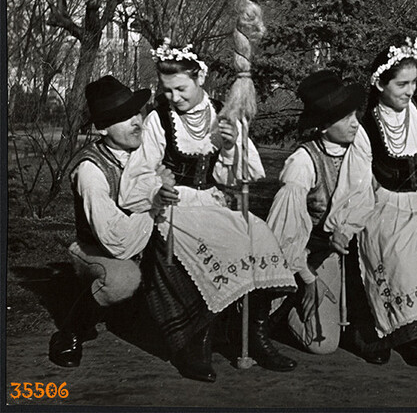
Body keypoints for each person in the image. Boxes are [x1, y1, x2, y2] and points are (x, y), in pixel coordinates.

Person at [118, 38, 297, 382]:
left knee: (258, 235)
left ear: (200, 78)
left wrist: (230, 145)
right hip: (176, 207)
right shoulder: (159, 120)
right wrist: (159, 188)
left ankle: (255, 337)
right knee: (208, 245)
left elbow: (238, 177)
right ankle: (196, 340)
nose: (174, 97)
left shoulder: (224, 115)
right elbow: (141, 171)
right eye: (167, 90)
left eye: (181, 89)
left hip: (213, 201)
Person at [323, 36, 417, 366]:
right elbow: (357, 183)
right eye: (401, 84)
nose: (409, 90)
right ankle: (403, 330)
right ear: (380, 84)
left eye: (413, 82)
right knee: (398, 250)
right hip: (385, 204)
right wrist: (344, 225)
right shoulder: (366, 128)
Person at [49, 75, 157, 368]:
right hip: (97, 249)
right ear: (103, 128)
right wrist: (156, 206)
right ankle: (72, 330)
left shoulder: (146, 152)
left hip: (141, 243)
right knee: (123, 279)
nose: (136, 121)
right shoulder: (91, 170)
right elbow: (115, 240)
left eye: (137, 112)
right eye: (123, 118)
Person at [265, 69, 365, 356]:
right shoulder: (303, 162)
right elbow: (283, 234)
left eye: (355, 115)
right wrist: (307, 279)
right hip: (305, 258)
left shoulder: (358, 153)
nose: (355, 124)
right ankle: (286, 307)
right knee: (322, 344)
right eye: (345, 118)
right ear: (323, 126)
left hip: (344, 255)